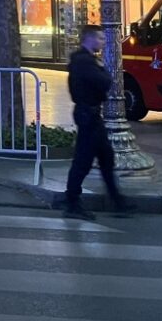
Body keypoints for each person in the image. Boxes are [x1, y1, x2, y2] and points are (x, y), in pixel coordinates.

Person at [63, 23, 135, 221]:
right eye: (100, 38)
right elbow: (105, 82)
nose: (103, 42)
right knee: (83, 160)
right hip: (88, 114)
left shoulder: (84, 60)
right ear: (90, 39)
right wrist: (103, 70)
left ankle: (117, 201)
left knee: (105, 157)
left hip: (91, 114)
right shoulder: (85, 62)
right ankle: (72, 202)